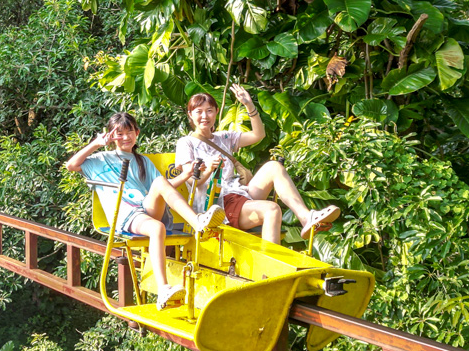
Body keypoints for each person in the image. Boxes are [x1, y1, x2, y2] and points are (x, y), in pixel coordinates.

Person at [66, 112, 224, 310]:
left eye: (129, 132)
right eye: (119, 133)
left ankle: (198, 222)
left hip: (147, 207)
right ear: (111, 136)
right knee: (157, 229)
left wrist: (185, 175)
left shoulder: (143, 161)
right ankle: (164, 289)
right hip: (127, 216)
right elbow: (71, 165)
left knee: (159, 182)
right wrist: (97, 143)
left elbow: (164, 188)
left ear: (137, 133)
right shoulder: (99, 160)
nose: (125, 137)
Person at [174, 85, 339, 244]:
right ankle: (271, 269)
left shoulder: (223, 138)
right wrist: (209, 168)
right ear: (190, 115)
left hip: (239, 194)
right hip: (216, 205)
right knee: (272, 209)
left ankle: (306, 217)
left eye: (209, 111)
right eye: (199, 112)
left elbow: (258, 135)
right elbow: (192, 181)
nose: (204, 116)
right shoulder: (186, 142)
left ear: (217, 112)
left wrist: (249, 104)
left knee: (274, 167)